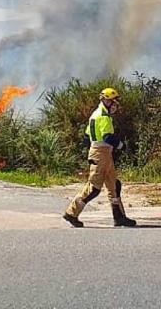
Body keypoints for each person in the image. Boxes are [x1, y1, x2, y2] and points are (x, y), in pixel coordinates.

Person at [63, 87, 137, 228]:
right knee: (93, 188)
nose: (115, 105)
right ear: (105, 101)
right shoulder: (103, 117)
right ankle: (71, 213)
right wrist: (122, 146)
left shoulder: (95, 115)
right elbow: (108, 137)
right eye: (112, 102)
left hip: (102, 153)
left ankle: (119, 217)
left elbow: (86, 138)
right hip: (101, 153)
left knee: (114, 185)